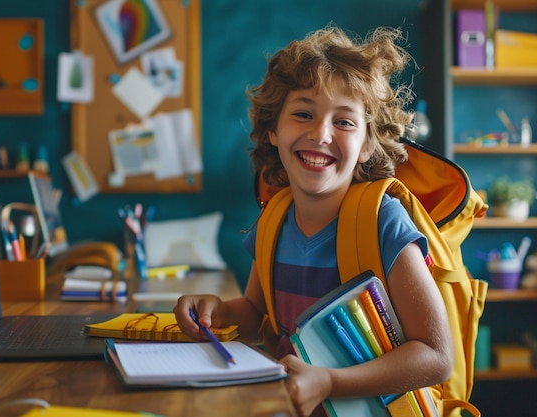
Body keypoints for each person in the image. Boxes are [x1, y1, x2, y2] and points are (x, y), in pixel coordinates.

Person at [173, 25, 454, 417]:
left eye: (344, 122)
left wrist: (330, 382)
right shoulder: (273, 219)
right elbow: (256, 315)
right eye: (303, 114)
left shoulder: (383, 221)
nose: (320, 134)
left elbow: (437, 356)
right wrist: (216, 310)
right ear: (273, 129)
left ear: (367, 145)